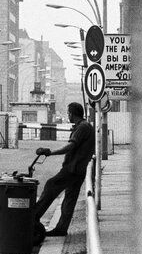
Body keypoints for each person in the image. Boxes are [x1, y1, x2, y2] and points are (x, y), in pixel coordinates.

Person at [33, 102, 96, 237]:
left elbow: (70, 147)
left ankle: (34, 216)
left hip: (72, 169)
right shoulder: (85, 126)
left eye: (68, 113)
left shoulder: (82, 128)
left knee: (51, 185)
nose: (68, 115)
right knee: (69, 199)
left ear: (72, 114)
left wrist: (50, 152)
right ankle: (61, 229)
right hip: (79, 170)